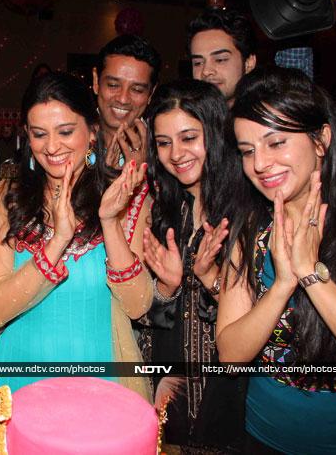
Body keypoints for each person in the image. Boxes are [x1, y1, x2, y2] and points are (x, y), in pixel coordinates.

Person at [189, 0, 336, 446]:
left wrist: (311, 274)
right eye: (247, 150)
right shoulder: (250, 221)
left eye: (276, 143)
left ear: (321, 140)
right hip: (263, 434)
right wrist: (280, 285)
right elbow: (232, 354)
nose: (260, 163)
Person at [0, 72, 153, 420]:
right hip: (23, 379)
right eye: (39, 134)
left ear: (91, 131)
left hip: (99, 378)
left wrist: (109, 221)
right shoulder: (8, 197)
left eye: (65, 132)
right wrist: (57, 241)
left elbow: (138, 305)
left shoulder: (124, 193)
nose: (52, 147)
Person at [140, 79, 244, 452]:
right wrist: (166, 291)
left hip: (232, 402)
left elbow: (266, 318)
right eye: (164, 142)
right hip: (172, 400)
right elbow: (150, 319)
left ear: (215, 134)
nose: (176, 153)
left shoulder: (246, 211)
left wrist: (211, 279)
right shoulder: (167, 210)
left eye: (189, 138)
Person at [92, 34, 161, 167]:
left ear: (151, 93)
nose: (123, 99)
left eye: (137, 89)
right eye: (113, 85)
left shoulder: (163, 148)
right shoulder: (70, 139)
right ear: (96, 81)